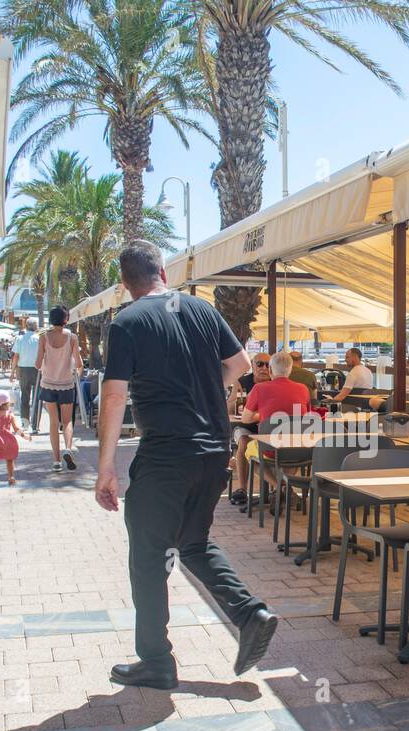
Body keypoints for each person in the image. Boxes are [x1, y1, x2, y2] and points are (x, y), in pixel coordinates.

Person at [95, 239, 279, 689]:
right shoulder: (203, 311)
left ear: (125, 283)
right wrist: (201, 385)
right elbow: (238, 365)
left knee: (148, 555)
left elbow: (115, 395)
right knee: (192, 542)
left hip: (167, 455)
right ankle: (249, 613)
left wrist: (105, 467)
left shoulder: (126, 322)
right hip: (214, 451)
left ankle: (157, 661)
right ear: (164, 271)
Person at [243, 352, 312, 503]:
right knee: (289, 449)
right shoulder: (303, 389)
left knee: (249, 450)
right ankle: (286, 487)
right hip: (299, 449)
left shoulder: (259, 389)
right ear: (290, 369)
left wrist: (261, 415)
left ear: (271, 370)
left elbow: (245, 418)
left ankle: (278, 486)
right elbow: (305, 417)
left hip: (270, 449)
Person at [35, 306, 83, 472]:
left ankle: (56, 462)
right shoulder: (72, 338)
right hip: (66, 384)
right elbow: (79, 364)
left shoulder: (44, 337)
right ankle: (68, 449)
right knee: (67, 421)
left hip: (48, 383)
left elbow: (37, 363)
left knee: (53, 423)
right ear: (66, 319)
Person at [227, 352, 271, 507]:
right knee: (244, 442)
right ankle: (242, 489)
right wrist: (242, 400)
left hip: (269, 430)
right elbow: (229, 409)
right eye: (260, 364)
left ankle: (280, 488)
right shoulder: (242, 382)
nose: (264, 368)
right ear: (252, 365)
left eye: (268, 364)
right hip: (246, 427)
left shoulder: (275, 382)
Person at [9, 318, 41, 429]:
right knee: (37, 397)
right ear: (36, 327)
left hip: (23, 370)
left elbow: (16, 356)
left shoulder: (19, 338)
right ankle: (35, 424)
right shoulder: (40, 339)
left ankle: (25, 424)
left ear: (26, 326)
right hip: (38, 370)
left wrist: (12, 371)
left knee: (25, 398)